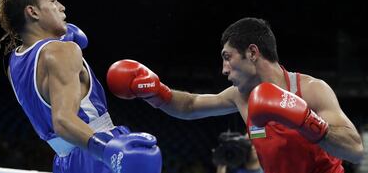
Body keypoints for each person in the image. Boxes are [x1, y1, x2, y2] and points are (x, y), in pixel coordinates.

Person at [106, 17, 364, 173]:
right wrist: (157, 92)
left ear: (252, 52)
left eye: (228, 58)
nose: (223, 69)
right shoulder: (240, 96)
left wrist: (309, 122)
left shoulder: (310, 89)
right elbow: (191, 105)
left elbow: (355, 150)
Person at [0, 0, 162, 173]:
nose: (61, 6)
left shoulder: (15, 62)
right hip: (94, 148)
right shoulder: (62, 51)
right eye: (52, 0)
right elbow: (62, 120)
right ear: (32, 12)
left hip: (64, 161)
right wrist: (107, 150)